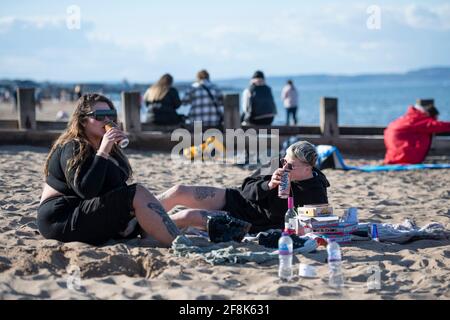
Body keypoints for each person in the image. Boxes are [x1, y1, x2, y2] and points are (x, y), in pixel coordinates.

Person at [37, 93, 180, 247]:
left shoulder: (106, 148)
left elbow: (116, 187)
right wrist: (103, 150)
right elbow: (86, 190)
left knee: (163, 203)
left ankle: (187, 232)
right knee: (138, 192)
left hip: (85, 213)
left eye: (111, 115)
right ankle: (181, 244)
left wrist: (127, 216)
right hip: (61, 218)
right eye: (99, 116)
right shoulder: (73, 146)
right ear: (83, 120)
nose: (107, 120)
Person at [158, 141, 330, 235]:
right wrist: (268, 185)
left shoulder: (316, 191)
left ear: (308, 168)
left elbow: (314, 223)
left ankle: (147, 225)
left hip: (250, 221)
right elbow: (246, 186)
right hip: (237, 199)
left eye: (290, 164)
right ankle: (136, 212)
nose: (284, 165)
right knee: (179, 191)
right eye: (284, 161)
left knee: (188, 215)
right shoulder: (278, 163)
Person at [384, 102, 450, 164]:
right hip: (406, 157)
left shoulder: (408, 118)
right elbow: (439, 126)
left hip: (392, 156)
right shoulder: (420, 121)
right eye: (435, 118)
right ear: (429, 115)